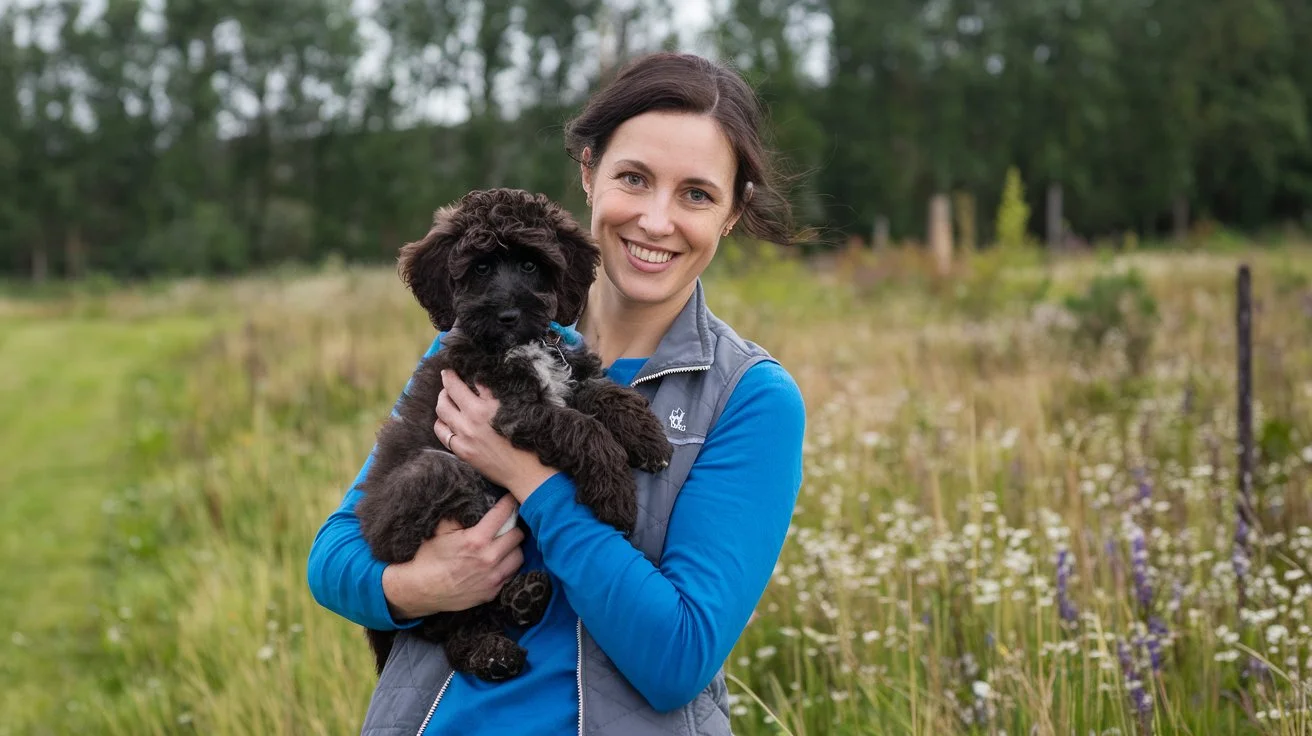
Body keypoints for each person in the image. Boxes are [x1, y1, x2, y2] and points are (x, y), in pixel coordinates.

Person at [307, 51, 806, 736]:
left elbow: (678, 658)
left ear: (731, 212)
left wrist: (532, 482)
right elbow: (332, 558)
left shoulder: (750, 400)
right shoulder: (466, 347)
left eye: (696, 193)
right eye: (634, 178)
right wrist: (421, 587)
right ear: (589, 171)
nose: (657, 222)